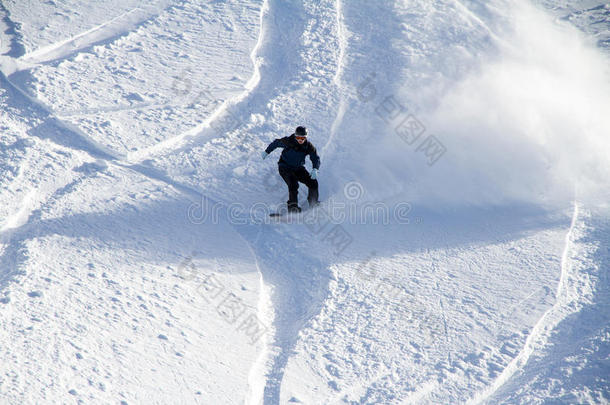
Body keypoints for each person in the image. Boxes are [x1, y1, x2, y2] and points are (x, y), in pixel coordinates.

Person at [262, 126, 320, 212]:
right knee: (293, 184)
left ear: (306, 137)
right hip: (284, 167)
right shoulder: (288, 141)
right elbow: (276, 143)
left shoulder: (308, 146)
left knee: (313, 182)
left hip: (298, 168)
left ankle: (313, 203)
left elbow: (315, 158)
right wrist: (267, 151)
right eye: (298, 137)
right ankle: (293, 207)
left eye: (302, 138)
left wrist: (315, 169)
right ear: (295, 136)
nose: (300, 140)